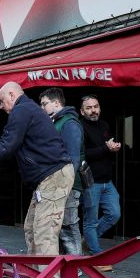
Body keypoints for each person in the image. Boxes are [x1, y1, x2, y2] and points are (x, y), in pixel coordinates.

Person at [0, 82, 74, 256]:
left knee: (44, 232)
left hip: (53, 176)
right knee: (31, 227)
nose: (0, 106)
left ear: (12, 95)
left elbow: (7, 145)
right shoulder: (27, 110)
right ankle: (37, 274)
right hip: (48, 178)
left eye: (2, 101)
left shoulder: (21, 110)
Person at [39, 87, 83, 256]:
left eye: (44, 104)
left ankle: (75, 265)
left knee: (68, 225)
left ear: (56, 103)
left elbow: (74, 158)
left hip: (68, 184)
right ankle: (68, 264)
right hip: (61, 183)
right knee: (61, 225)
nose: (41, 108)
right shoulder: (58, 121)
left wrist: (66, 184)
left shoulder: (69, 123)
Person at [79, 94, 121, 268]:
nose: (93, 110)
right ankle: (96, 258)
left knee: (114, 214)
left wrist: (113, 147)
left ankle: (89, 240)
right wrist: (106, 148)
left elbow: (106, 147)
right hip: (90, 182)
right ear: (82, 112)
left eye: (95, 106)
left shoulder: (104, 125)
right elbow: (83, 154)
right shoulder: (80, 128)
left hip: (107, 181)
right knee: (90, 221)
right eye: (88, 108)